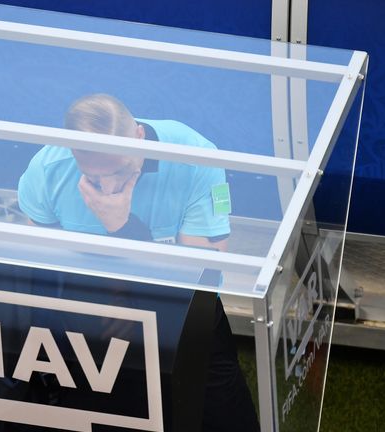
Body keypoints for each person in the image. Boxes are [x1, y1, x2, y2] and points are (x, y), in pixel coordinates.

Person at [15, 93, 259, 431]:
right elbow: (41, 262)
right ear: (73, 154)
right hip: (92, 308)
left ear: (139, 137)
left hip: (181, 310)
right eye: (94, 177)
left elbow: (203, 277)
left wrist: (122, 227)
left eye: (119, 170)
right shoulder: (47, 169)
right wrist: (108, 302)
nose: (109, 188)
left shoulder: (195, 157)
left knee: (224, 418)